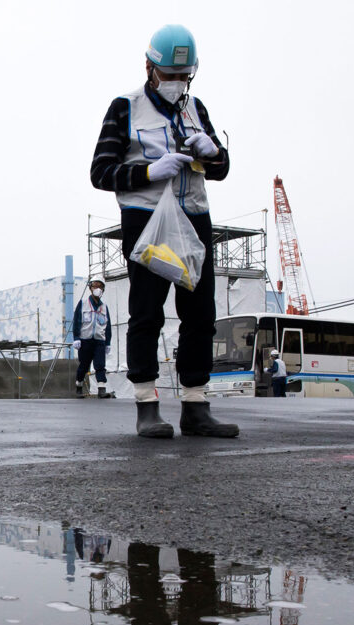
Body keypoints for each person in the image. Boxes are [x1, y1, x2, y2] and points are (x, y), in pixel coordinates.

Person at [89, 24, 239, 439]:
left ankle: (196, 405)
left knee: (200, 314)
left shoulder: (196, 110)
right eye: (168, 75)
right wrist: (150, 171)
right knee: (148, 312)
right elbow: (101, 172)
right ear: (149, 67)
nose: (175, 83)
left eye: (183, 76)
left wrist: (216, 154)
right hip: (147, 220)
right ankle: (146, 405)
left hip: (193, 218)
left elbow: (222, 171)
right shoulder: (126, 107)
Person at [72, 279, 113, 398]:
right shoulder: (83, 303)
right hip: (85, 340)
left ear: (103, 290)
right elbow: (77, 321)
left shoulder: (104, 307)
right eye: (95, 286)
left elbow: (108, 326)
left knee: (100, 365)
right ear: (90, 288)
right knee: (84, 365)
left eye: (100, 287)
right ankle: (79, 385)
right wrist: (76, 338)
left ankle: (101, 388)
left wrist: (108, 343)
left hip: (99, 340)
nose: (97, 289)